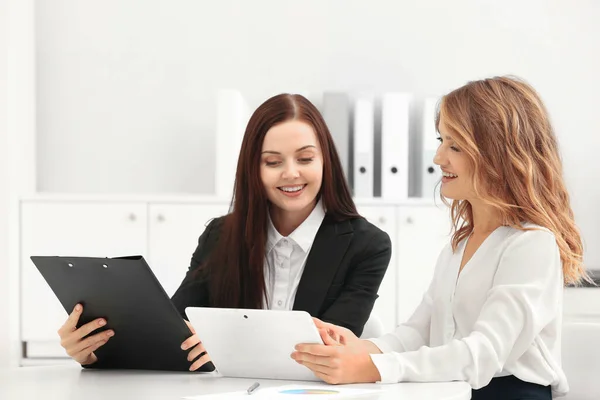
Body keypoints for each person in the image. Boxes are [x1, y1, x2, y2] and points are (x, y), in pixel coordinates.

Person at [292, 76, 589, 400]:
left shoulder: (531, 244)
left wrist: (376, 368)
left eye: (455, 146)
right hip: (456, 391)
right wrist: (361, 349)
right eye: (441, 140)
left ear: (498, 155)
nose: (438, 158)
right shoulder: (460, 246)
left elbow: (483, 354)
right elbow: (418, 331)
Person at [56, 93, 392, 371]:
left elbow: (328, 347)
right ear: (253, 169)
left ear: (325, 162)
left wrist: (223, 343)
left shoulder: (367, 246)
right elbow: (173, 329)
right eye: (272, 162)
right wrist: (95, 351)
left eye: (305, 158)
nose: (291, 173)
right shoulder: (222, 235)